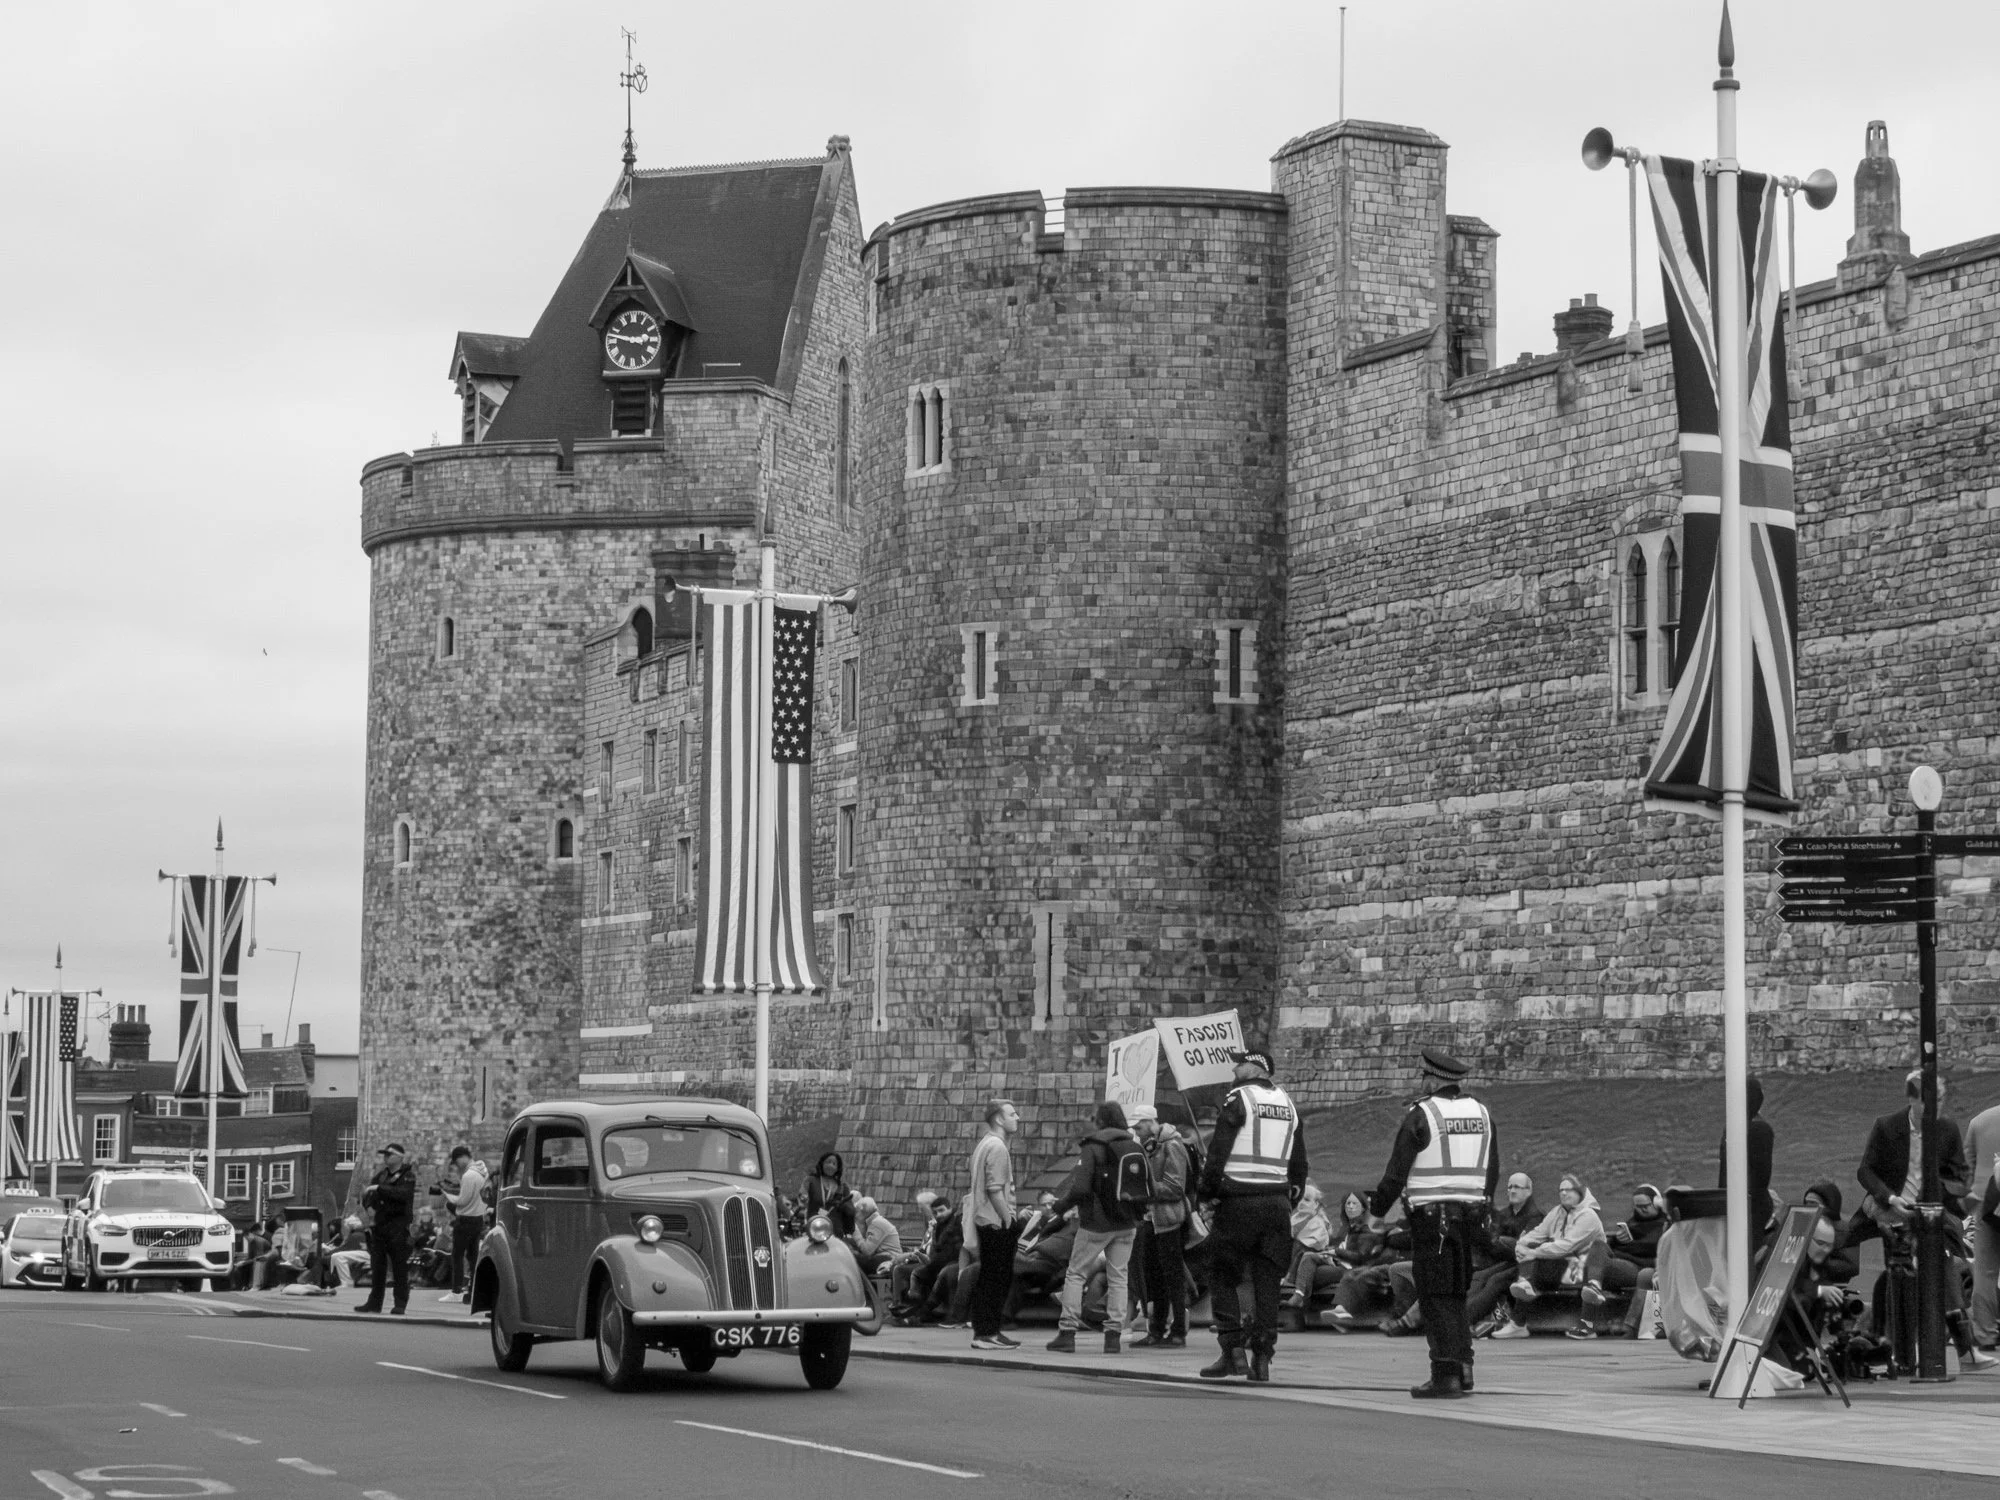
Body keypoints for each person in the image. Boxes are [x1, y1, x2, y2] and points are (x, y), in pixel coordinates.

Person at [1369, 1047, 1498, 1399]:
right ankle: (1464, 1367)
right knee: (1456, 1295)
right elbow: (1492, 1169)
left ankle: (1445, 1374)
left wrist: (1377, 1208)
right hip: (1469, 1219)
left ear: (1431, 1078)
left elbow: (1396, 1171)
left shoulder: (1422, 1113)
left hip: (1432, 1221)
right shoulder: (1481, 1113)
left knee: (1435, 1298)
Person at [1853, 1071, 1992, 1367]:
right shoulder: (1887, 1127)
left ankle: (1924, 1349)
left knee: (1939, 1267)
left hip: (1929, 1215)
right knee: (1906, 1270)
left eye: (1940, 1099)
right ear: (1913, 1099)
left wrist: (1962, 1197)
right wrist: (1890, 1198)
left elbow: (1958, 1175)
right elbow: (1865, 1171)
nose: (1936, 1107)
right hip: (1891, 1210)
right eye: (1929, 1101)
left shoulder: (1947, 1130)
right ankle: (1920, 1350)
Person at [1196, 1047, 1308, 1383]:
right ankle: (1262, 1358)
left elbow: (1219, 1150)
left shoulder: (1238, 1099)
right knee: (1267, 1283)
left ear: (1256, 1067)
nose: (1235, 1066)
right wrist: (1293, 1194)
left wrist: (1207, 1193)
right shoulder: (1288, 1104)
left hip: (1239, 1201)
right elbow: (1300, 1161)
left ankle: (1231, 1350)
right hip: (1276, 1204)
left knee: (1222, 1273)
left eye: (1240, 1062)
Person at [1044, 1100, 1143, 1354]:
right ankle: (1113, 1336)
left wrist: (1060, 1207)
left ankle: (1067, 1332)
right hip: (1126, 1221)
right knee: (1119, 1276)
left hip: (1097, 1222)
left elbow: (1080, 1188)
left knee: (1075, 1273)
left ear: (1100, 1120)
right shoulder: (1134, 1145)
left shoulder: (1093, 1146)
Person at [1493, 1174, 1603, 1339]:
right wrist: (1522, 1244)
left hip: (1589, 1266)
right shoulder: (1557, 1212)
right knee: (1521, 1265)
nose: (1564, 1193)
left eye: (1569, 1190)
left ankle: (1587, 1326)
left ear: (1580, 1193)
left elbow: (1566, 1246)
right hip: (1563, 1267)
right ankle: (1518, 1318)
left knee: (1524, 1262)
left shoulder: (1588, 1215)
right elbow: (1538, 1233)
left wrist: (1533, 1252)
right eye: (1561, 1190)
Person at [1127, 1104, 1192, 1348]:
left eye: (1139, 1125)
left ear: (1150, 1122)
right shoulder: (1151, 1145)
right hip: (1153, 1218)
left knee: (1172, 1277)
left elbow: (1176, 1187)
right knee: (1154, 1277)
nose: (1136, 1130)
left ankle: (1177, 1332)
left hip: (1168, 1219)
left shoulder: (1172, 1145)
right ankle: (1156, 1329)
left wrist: (1144, 1190)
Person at [967, 1099, 1024, 1351]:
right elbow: (995, 1190)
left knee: (988, 1277)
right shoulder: (998, 1147)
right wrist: (1009, 1220)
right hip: (996, 1222)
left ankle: (986, 1331)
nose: (1018, 1117)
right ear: (999, 1119)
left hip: (983, 1219)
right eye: (1012, 1114)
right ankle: (988, 1332)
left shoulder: (983, 1145)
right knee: (997, 1279)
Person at [1581, 1184, 1668, 1338]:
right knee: (1598, 1246)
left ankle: (1589, 1323)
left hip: (1642, 1267)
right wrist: (1617, 1241)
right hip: (1625, 1263)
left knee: (1597, 1266)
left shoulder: (1664, 1225)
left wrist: (1626, 1247)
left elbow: (1652, 1248)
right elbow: (1613, 1248)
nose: (1641, 1210)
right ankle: (1594, 1287)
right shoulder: (1632, 1223)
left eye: (1645, 1206)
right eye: (1637, 1206)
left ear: (1656, 1203)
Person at [1468, 1173, 1538, 1334]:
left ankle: (1466, 1319)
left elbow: (1526, 1249)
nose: (1512, 1191)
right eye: (1510, 1187)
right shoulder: (1504, 1214)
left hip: (1526, 1265)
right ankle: (1461, 1317)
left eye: (1518, 1187)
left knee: (1494, 1278)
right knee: (1479, 1276)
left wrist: (1497, 1243)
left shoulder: (1535, 1217)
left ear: (1528, 1191)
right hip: (1504, 1261)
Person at [1717, 1074, 1776, 1249]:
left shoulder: (1759, 1129)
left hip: (1749, 1207)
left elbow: (1759, 1179)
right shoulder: (1734, 1127)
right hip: (1736, 1204)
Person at [358, 1142, 417, 1315]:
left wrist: (380, 1189)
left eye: (389, 1155)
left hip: (398, 1225)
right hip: (380, 1225)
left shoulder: (407, 1176)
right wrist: (369, 1206)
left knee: (399, 1267)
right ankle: (374, 1302)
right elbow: (367, 1196)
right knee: (378, 1266)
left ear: (399, 1157)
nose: (386, 1158)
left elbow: (402, 1194)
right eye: (384, 1155)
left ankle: (400, 1303)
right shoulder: (381, 1176)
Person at [891, 1195, 962, 1322]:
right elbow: (928, 1248)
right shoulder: (936, 1225)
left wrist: (925, 1257)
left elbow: (951, 1250)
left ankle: (921, 1310)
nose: (938, 1214)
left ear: (950, 1208)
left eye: (941, 1210)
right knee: (900, 1269)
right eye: (935, 1212)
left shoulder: (954, 1223)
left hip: (950, 1262)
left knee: (920, 1273)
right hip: (933, 1260)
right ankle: (903, 1305)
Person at [1966, 1098, 2000, 1351]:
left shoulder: (1979, 1122)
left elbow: (1966, 1170)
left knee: (1984, 1272)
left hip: (1987, 1207)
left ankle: (1985, 1333)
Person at [439, 1145, 488, 1304]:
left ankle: (457, 1291)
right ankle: (473, 1290)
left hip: (465, 1219)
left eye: (456, 1162)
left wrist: (449, 1198)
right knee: (473, 1257)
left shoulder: (469, 1175)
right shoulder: (482, 1171)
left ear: (461, 1157)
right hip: (478, 1218)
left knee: (457, 1256)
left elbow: (463, 1201)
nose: (456, 1166)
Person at [800, 1153, 856, 1240]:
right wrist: (803, 1198)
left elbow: (850, 1210)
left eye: (834, 1164)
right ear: (822, 1163)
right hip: (814, 1226)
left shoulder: (842, 1186)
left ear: (838, 1168)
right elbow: (802, 1194)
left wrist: (843, 1205)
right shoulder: (811, 1180)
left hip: (834, 1229)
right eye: (828, 1162)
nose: (831, 1165)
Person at [848, 1196, 903, 1275]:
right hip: (886, 1256)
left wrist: (854, 1230)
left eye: (856, 1212)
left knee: (853, 1258)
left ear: (863, 1213)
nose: (855, 1216)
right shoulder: (874, 1222)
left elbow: (867, 1251)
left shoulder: (877, 1224)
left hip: (889, 1258)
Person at [327, 1215, 370, 1288]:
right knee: (337, 1256)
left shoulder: (356, 1235)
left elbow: (345, 1248)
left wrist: (328, 1252)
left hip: (368, 1255)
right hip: (365, 1254)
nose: (343, 1228)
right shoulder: (359, 1234)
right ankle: (346, 1281)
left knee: (338, 1256)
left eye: (345, 1226)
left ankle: (347, 1282)